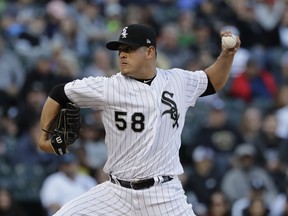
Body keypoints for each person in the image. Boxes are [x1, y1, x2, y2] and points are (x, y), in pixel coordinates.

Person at [37, 23, 240, 216]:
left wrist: (227, 55)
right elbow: (59, 93)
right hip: (116, 193)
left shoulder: (178, 81)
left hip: (163, 195)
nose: (122, 55)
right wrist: (44, 136)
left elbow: (212, 81)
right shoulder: (108, 87)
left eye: (130, 49)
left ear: (150, 52)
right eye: (120, 50)